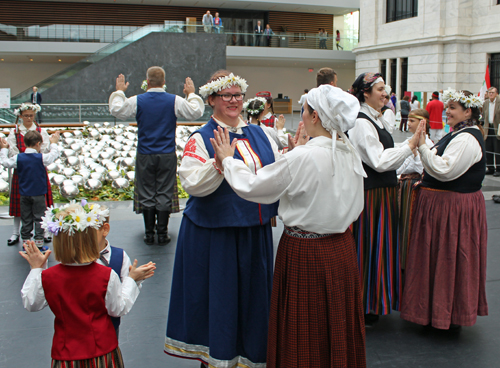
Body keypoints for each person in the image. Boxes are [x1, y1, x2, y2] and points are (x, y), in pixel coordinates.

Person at [211, 84, 366, 367]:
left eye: (305, 110)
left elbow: (255, 186)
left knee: (304, 325)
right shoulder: (348, 152)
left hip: (305, 252)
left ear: (316, 116)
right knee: (335, 324)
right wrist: (293, 157)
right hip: (342, 250)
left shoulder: (304, 157)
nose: (302, 116)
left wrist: (228, 160)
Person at [165, 70, 280, 368]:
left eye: (237, 95)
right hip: (217, 235)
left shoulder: (260, 133)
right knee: (222, 302)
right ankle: (220, 359)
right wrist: (218, 164)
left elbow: (272, 174)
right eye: (226, 96)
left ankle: (250, 358)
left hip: (254, 234)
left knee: (253, 302)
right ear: (212, 99)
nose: (234, 101)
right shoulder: (201, 138)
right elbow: (191, 183)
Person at [20, 202, 156, 368]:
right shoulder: (106, 275)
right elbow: (118, 308)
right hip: (103, 352)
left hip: (65, 354)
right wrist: (132, 280)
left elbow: (32, 303)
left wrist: (36, 269)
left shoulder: (47, 276)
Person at [401, 89, 488, 330]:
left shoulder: (467, 138)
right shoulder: (459, 133)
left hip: (452, 209)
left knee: (448, 259)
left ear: (467, 111)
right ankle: (432, 311)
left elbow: (444, 170)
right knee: (436, 259)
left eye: (452, 107)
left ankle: (446, 315)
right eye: (447, 106)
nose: (446, 111)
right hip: (442, 207)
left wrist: (422, 147)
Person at [348, 72, 418, 324]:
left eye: (385, 89)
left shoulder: (374, 120)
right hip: (372, 196)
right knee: (369, 247)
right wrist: (409, 147)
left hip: (382, 194)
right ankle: (366, 303)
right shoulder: (361, 122)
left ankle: (374, 301)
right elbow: (378, 161)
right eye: (379, 89)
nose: (385, 93)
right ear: (365, 93)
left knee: (379, 246)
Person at [109, 67, 204, 245]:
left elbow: (117, 110)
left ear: (148, 81)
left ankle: (149, 233)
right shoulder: (174, 100)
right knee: (164, 191)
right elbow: (195, 112)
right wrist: (191, 94)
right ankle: (162, 233)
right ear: (164, 82)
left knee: (146, 192)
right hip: (166, 153)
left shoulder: (138, 100)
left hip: (145, 153)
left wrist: (120, 91)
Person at [0, 130, 59, 252]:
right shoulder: (41, 158)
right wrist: (53, 143)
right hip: (38, 194)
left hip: (24, 194)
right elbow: (54, 154)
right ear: (38, 144)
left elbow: (5, 162)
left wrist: (4, 149)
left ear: (25, 143)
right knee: (39, 218)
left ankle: (26, 242)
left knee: (26, 218)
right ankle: (38, 243)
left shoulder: (18, 158)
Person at [7, 102, 53, 247]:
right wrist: (25, 159)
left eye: (31, 116)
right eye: (26, 116)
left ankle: (44, 232)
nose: (28, 118)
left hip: (37, 169)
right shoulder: (15, 132)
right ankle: (16, 232)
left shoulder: (40, 130)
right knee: (18, 205)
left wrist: (31, 157)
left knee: (41, 205)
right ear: (20, 116)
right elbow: (12, 150)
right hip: (21, 171)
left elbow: (45, 148)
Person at [94, 202, 141, 338]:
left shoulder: (119, 256)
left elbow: (122, 296)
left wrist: (133, 280)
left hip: (109, 329)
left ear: (105, 229)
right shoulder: (75, 260)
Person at [396, 109, 433, 274]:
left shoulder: (429, 144)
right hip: (404, 187)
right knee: (401, 223)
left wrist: (416, 153)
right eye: (408, 120)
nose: (408, 124)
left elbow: (422, 167)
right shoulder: (408, 142)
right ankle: (401, 258)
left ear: (422, 123)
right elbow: (400, 165)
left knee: (411, 223)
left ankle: (410, 261)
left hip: (415, 189)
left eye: (412, 121)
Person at [482, 86, 500, 175]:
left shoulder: (499, 102)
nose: (491, 94)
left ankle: (498, 169)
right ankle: (490, 167)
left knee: (497, 149)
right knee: (488, 148)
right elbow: (484, 115)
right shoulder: (486, 103)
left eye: (493, 92)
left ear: (497, 94)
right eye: (489, 93)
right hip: (488, 128)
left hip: (497, 128)